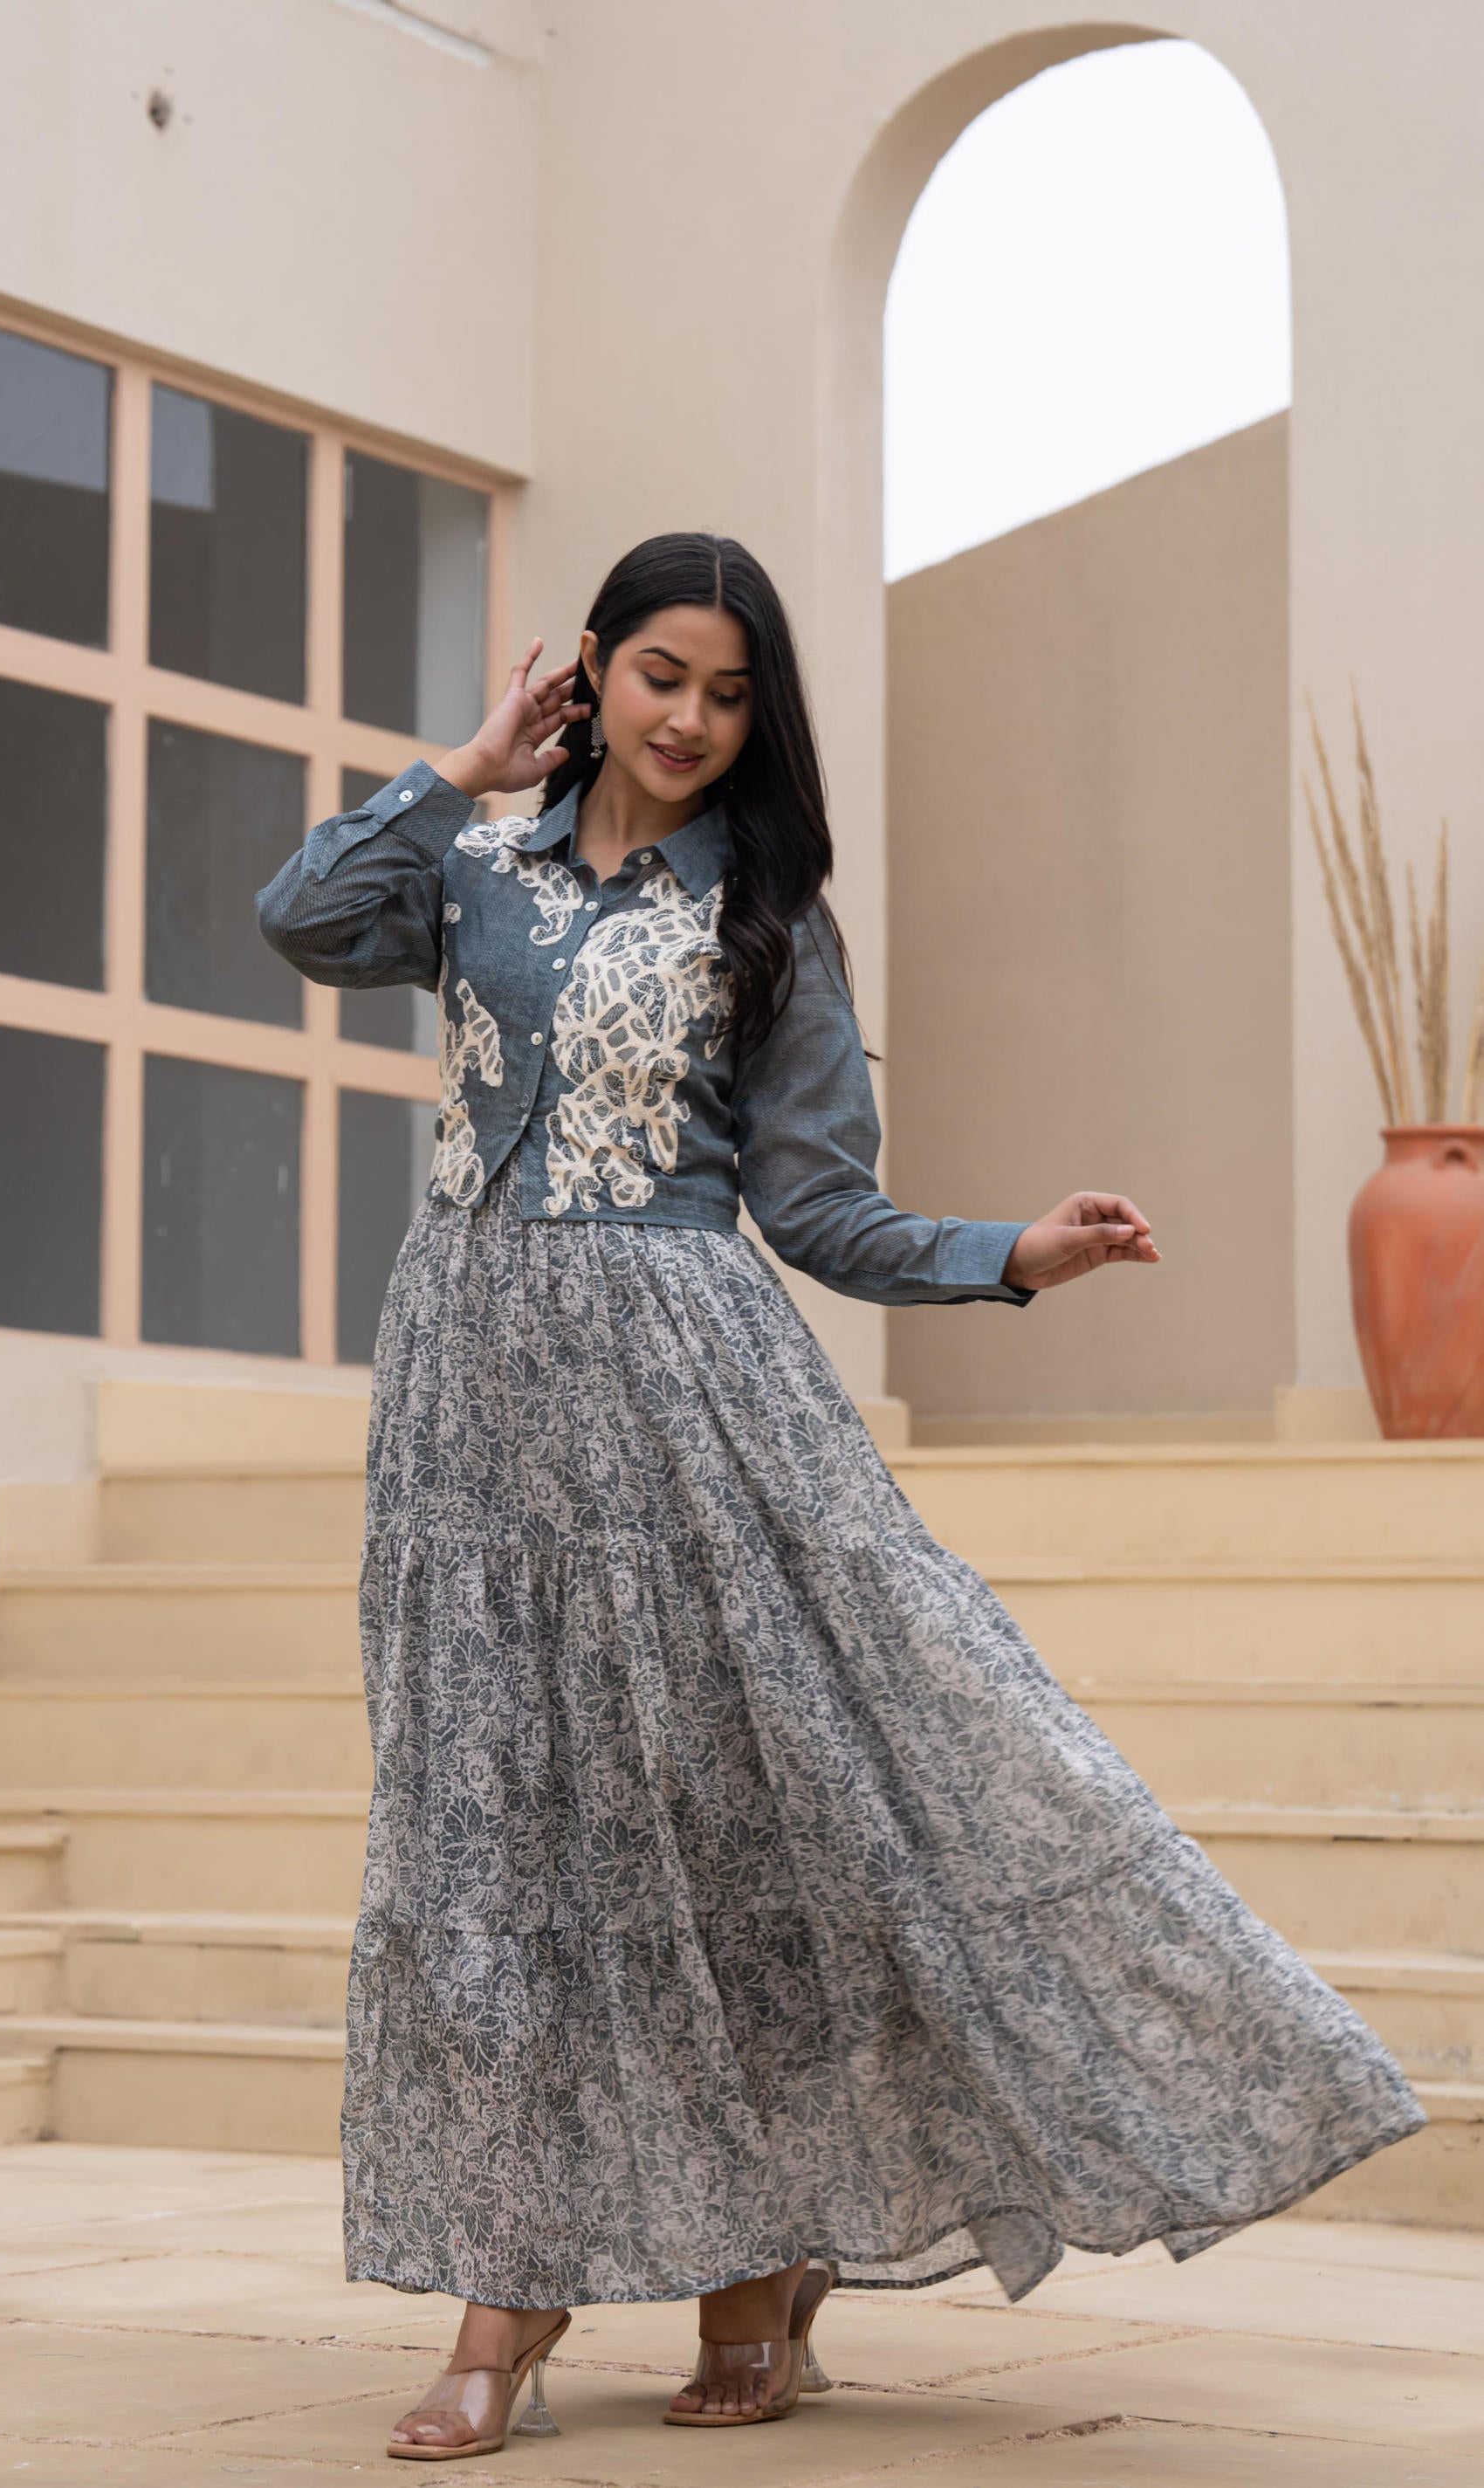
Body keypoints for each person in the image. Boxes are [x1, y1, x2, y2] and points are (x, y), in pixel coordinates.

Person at [257, 532, 1422, 2462]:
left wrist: (1010, 1255)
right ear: (594, 670)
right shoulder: (474, 865)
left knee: (744, 1825)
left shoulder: (765, 912)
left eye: (729, 694)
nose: (690, 720)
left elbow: (816, 1208)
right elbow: (303, 916)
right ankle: (508, 2284)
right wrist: (462, 767)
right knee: (496, 1837)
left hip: (690, 1405)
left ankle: (759, 2258)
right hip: (468, 1401)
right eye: (660, 675)